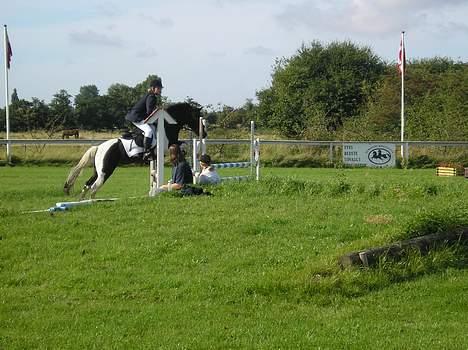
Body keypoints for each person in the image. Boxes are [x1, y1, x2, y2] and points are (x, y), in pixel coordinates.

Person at [125, 77, 163, 159]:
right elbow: (149, 112)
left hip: (139, 116)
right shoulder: (151, 97)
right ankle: (146, 152)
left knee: (153, 128)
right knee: (148, 131)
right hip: (136, 117)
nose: (160, 90)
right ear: (153, 88)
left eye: (160, 88)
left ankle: (151, 150)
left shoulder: (150, 95)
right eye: (159, 88)